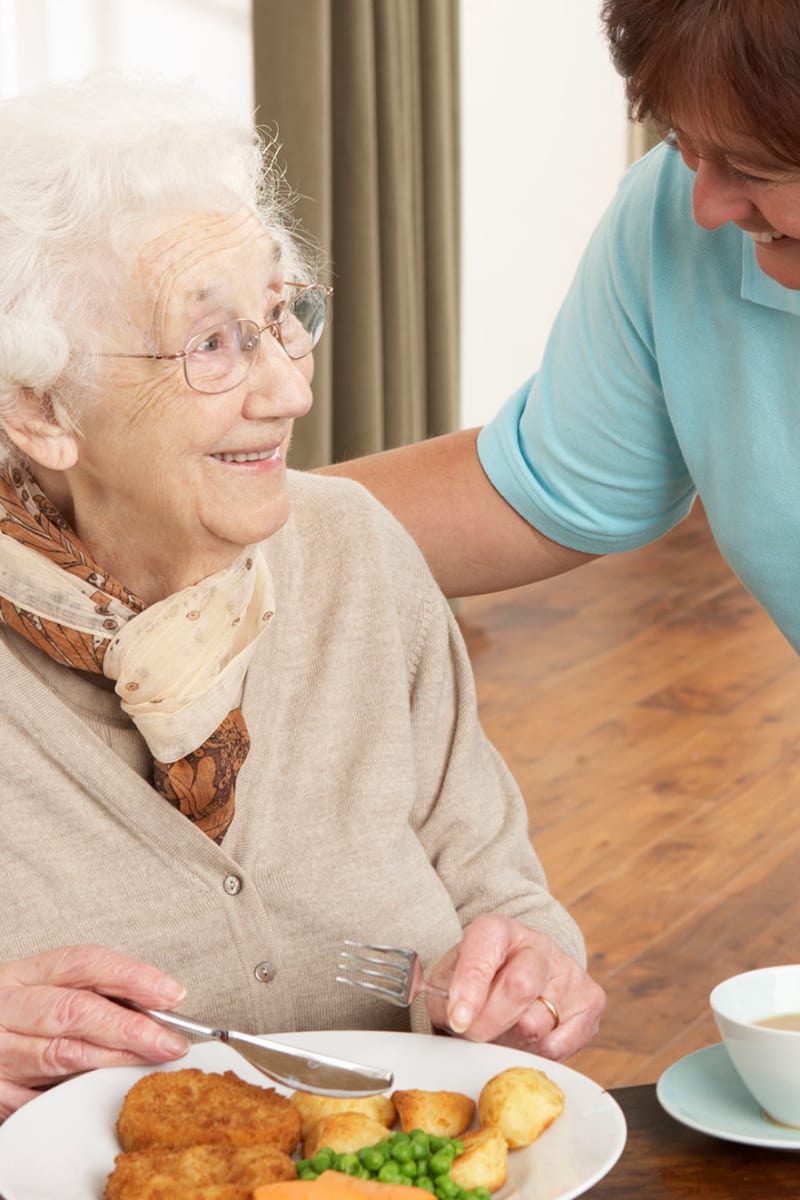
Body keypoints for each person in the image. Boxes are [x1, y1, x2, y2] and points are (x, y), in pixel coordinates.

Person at [0, 75, 604, 1123]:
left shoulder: (354, 553)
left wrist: (525, 974)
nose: (288, 388)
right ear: (43, 407)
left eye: (281, 318)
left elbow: (493, 885)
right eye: (210, 344)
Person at [324, 0, 800, 658]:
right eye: (685, 141)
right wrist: (224, 529)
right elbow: (545, 487)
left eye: (754, 168)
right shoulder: (673, 218)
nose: (707, 204)